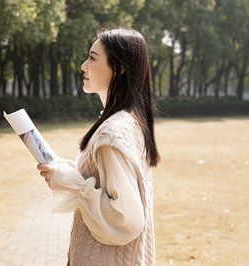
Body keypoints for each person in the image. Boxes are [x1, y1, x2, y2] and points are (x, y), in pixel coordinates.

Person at [37, 25, 160, 266]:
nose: (84, 65)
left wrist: (75, 184)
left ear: (120, 68)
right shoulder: (128, 121)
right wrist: (75, 173)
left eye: (93, 58)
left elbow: (126, 219)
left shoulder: (112, 132)